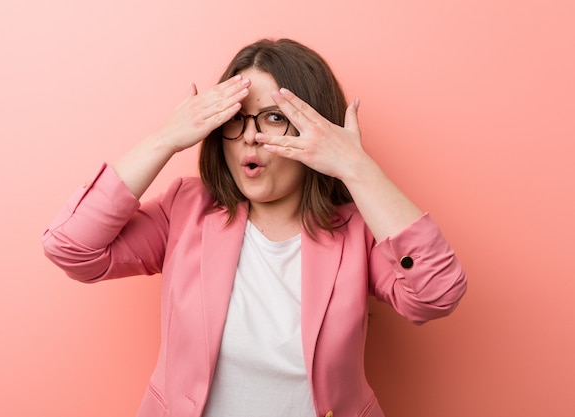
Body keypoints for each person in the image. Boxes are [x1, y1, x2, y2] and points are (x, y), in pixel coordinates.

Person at [43, 38, 467, 417]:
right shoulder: (185, 210)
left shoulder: (357, 231)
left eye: (273, 118)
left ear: (314, 127)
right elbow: (71, 248)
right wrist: (165, 139)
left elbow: (436, 294)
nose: (250, 136)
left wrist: (357, 169)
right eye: (235, 118)